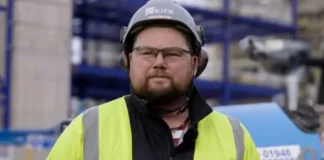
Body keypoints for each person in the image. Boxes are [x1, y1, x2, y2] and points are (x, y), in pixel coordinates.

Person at [46, 0, 260, 159]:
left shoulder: (235, 137)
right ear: (128, 61)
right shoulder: (86, 130)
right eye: (146, 52)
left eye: (173, 53)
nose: (159, 62)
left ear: (195, 64)